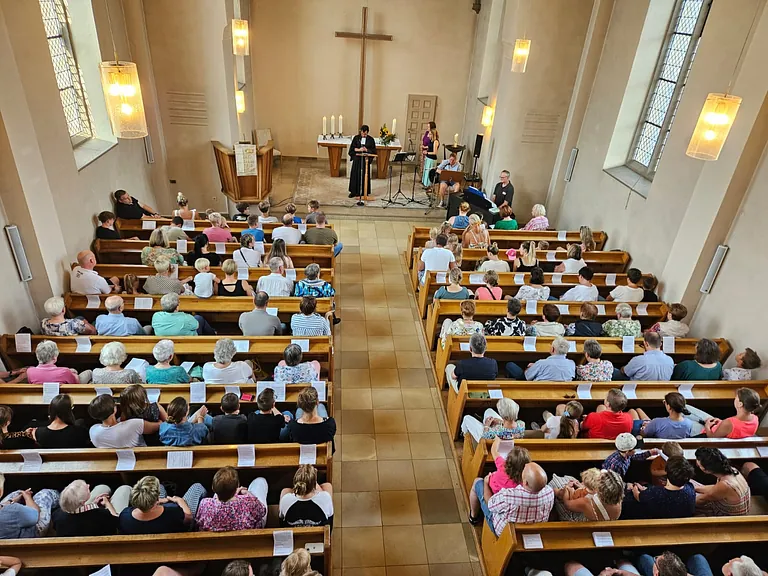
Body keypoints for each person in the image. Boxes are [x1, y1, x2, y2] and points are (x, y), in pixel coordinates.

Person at [118, 475, 206, 535]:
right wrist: (180, 501)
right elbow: (188, 519)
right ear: (155, 502)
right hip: (173, 534)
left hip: (148, 532)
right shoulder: (173, 511)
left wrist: (158, 501)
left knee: (160, 487)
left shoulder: (125, 515)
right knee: (197, 487)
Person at [484, 462, 555, 535]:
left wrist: (486, 483)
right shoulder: (550, 493)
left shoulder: (508, 496)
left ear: (526, 483)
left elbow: (490, 504)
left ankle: (474, 518)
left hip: (506, 535)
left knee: (478, 483)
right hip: (534, 532)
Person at [469, 443, 530, 525]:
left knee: (477, 481)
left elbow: (494, 449)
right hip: (504, 506)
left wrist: (486, 483)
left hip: (492, 499)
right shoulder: (525, 483)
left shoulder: (502, 465)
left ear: (508, 461)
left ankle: (473, 517)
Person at [620, 456, 696, 519]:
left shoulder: (655, 493)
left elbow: (637, 496)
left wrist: (635, 486)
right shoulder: (690, 489)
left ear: (667, 473)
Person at [196, 466, 267, 532]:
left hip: (215, 542)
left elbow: (199, 522)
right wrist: (247, 493)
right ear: (237, 486)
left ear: (213, 488)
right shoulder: (249, 502)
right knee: (260, 481)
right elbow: (263, 511)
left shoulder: (205, 504)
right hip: (248, 539)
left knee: (216, 496)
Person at [53, 479, 132, 536]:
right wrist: (107, 504)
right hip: (105, 538)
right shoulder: (101, 515)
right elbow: (116, 520)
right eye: (87, 489)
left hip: (79, 534)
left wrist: (93, 504)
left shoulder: (57, 514)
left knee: (102, 487)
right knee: (124, 489)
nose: (88, 486)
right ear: (83, 502)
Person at [550, 468, 625, 522]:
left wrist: (567, 489)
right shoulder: (616, 496)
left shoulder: (587, 502)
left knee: (557, 483)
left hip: (578, 522)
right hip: (600, 520)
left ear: (600, 491)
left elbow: (568, 504)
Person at [693, 447, 750, 516]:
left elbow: (702, 499)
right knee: (692, 484)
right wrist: (695, 488)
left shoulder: (725, 485)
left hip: (731, 516)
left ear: (706, 470)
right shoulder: (733, 470)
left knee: (686, 503)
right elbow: (715, 489)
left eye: (699, 465)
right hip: (735, 504)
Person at [88, 394, 160, 448]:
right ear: (114, 409)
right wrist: (157, 407)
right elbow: (159, 425)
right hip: (140, 457)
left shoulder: (93, 431)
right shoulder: (134, 424)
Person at [691, 387, 761, 438]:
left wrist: (707, 426)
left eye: (736, 397)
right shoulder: (755, 419)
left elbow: (712, 437)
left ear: (740, 404)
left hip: (707, 432)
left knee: (688, 415)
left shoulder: (729, 423)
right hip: (719, 427)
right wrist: (721, 422)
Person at [286, 387, 336, 452]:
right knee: (321, 407)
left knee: (298, 411)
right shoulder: (329, 424)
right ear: (317, 402)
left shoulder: (292, 426)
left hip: (302, 453)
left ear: (300, 404)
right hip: (322, 452)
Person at [508, 337, 575, 381]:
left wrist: (533, 366)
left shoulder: (541, 363)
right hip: (563, 391)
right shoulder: (572, 364)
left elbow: (527, 376)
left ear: (552, 349)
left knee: (510, 365)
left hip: (538, 390)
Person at [26, 340, 91, 384]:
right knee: (89, 372)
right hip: (62, 397)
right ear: (54, 358)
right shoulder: (64, 371)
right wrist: (73, 374)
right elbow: (75, 383)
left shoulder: (30, 371)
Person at [348, 124, 377, 197]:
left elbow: (374, 150)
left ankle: (365, 191)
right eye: (362, 133)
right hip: (357, 160)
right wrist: (359, 149)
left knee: (364, 175)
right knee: (355, 175)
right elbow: (352, 149)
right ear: (360, 132)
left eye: (365, 133)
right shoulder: (356, 138)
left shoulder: (371, 139)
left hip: (365, 161)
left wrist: (367, 150)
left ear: (367, 132)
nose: (364, 135)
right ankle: (353, 192)